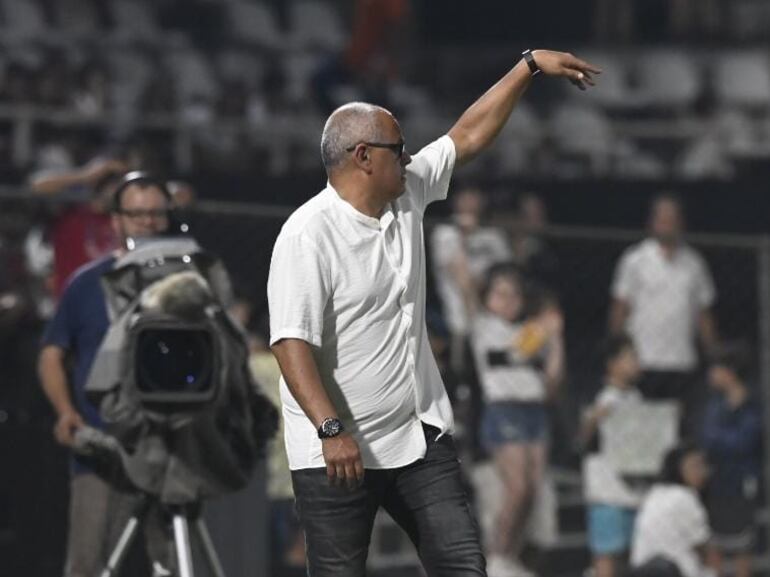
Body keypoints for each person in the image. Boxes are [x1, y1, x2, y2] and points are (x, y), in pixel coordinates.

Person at [267, 48, 599, 577]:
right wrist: (331, 431)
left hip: (417, 435)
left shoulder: (405, 192)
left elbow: (466, 136)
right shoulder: (307, 236)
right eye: (397, 148)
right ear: (362, 157)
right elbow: (290, 343)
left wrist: (529, 67)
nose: (408, 156)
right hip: (337, 449)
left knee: (464, 566)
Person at [37, 173, 176, 577]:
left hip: (169, 443)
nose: (147, 222)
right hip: (100, 445)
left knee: (173, 561)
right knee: (88, 563)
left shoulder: (189, 282)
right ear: (115, 220)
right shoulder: (85, 284)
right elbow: (51, 353)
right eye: (136, 214)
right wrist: (65, 411)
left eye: (156, 214)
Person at [471, 265, 564, 576]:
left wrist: (557, 340)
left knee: (534, 490)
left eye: (515, 295)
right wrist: (543, 331)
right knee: (517, 488)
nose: (509, 301)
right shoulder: (486, 327)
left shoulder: (528, 333)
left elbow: (551, 382)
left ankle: (511, 554)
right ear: (487, 298)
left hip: (535, 412)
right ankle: (497, 553)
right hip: (505, 410)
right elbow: (513, 355)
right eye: (501, 293)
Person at [609, 194, 718, 433]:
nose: (668, 225)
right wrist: (618, 350)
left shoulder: (694, 263)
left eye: (673, 219)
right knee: (643, 430)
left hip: (681, 361)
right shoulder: (635, 260)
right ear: (652, 223)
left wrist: (713, 354)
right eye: (663, 219)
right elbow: (620, 306)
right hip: (643, 360)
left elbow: (704, 313)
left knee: (678, 428)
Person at [581, 334, 645, 577]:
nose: (637, 363)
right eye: (630, 357)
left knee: (633, 558)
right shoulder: (597, 395)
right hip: (607, 494)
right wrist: (595, 418)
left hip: (634, 493)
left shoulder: (638, 398)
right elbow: (583, 438)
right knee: (606, 558)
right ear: (612, 363)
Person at [701, 343, 761, 577]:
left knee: (741, 546)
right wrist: (721, 439)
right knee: (714, 544)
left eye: (715, 369)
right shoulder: (714, 405)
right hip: (715, 482)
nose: (711, 375)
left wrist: (719, 439)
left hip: (741, 482)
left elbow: (744, 442)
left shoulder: (751, 406)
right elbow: (707, 437)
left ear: (730, 371)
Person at [630, 444, 713, 577]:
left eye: (703, 465)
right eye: (695, 466)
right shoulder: (686, 498)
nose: (702, 472)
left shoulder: (653, 493)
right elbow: (702, 546)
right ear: (677, 468)